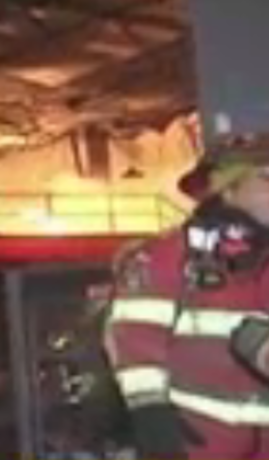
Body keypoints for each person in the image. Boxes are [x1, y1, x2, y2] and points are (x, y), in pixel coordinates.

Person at [103, 135, 269, 459]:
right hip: (195, 447)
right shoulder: (169, 255)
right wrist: (152, 416)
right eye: (267, 177)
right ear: (228, 187)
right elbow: (134, 341)